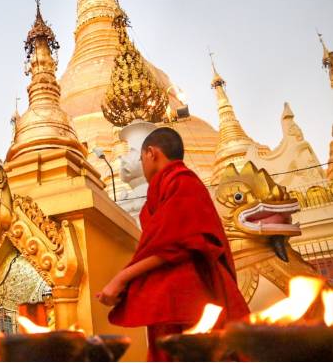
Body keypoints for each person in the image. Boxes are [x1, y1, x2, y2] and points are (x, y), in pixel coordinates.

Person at [96, 127, 249, 361]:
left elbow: (176, 243)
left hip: (194, 296)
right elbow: (162, 243)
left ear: (151, 153)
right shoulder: (162, 190)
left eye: (139, 157)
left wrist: (121, 278)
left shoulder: (184, 183)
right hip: (169, 299)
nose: (140, 164)